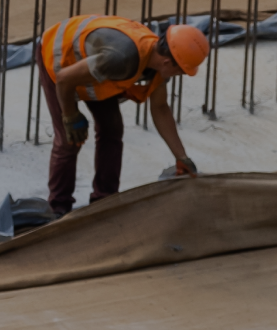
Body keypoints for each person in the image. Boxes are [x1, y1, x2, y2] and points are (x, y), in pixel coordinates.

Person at [39, 14, 210, 216]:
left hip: (94, 68)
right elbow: (65, 79)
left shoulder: (156, 63)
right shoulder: (121, 58)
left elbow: (160, 108)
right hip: (59, 61)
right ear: (167, 62)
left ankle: (104, 202)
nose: (179, 75)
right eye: (180, 71)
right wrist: (70, 116)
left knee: (112, 129)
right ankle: (58, 210)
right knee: (69, 140)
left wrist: (181, 157)